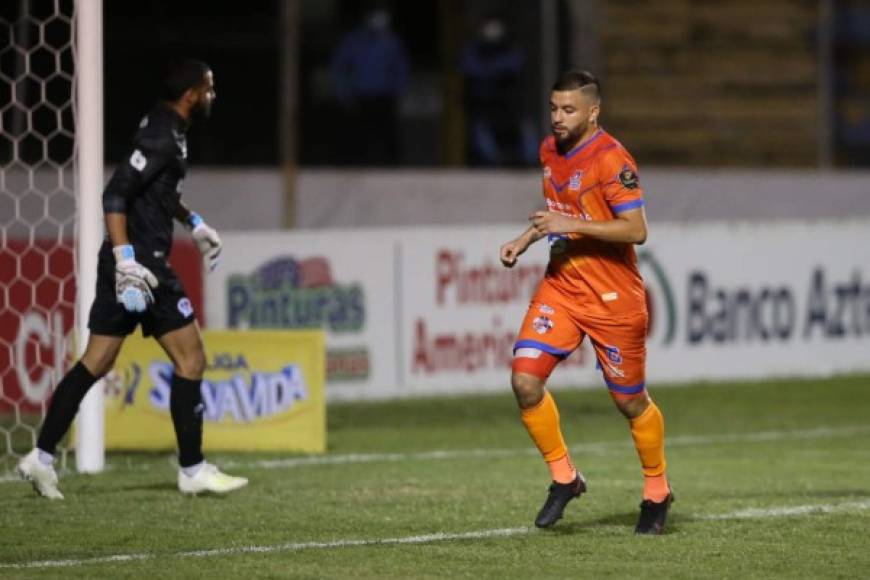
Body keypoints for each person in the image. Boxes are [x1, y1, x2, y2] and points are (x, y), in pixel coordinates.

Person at [17, 59, 248, 499]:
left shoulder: (169, 128)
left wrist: (193, 222)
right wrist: (127, 261)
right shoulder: (161, 134)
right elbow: (116, 193)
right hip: (143, 265)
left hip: (128, 259)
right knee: (191, 359)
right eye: (209, 88)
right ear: (191, 94)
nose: (213, 96)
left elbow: (158, 191)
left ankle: (41, 457)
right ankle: (193, 468)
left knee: (96, 361)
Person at [499, 70, 672, 534]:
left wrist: (563, 225)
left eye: (568, 109)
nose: (558, 117)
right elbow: (561, 216)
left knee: (630, 402)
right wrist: (525, 238)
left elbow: (636, 230)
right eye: (554, 108)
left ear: (593, 112)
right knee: (524, 382)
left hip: (614, 298)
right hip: (563, 286)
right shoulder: (548, 150)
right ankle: (565, 477)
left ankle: (657, 491)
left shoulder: (612, 160)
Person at [331, 8, 409, 165]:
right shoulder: (353, 40)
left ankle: (391, 165)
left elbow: (401, 68)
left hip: (384, 95)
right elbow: (339, 67)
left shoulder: (392, 42)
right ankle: (358, 165)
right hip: (360, 94)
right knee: (359, 134)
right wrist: (343, 92)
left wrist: (399, 90)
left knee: (387, 133)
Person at [459, 15, 536, 166]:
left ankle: (529, 159)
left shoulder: (511, 47)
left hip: (510, 107)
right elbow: (468, 68)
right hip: (483, 106)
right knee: (480, 131)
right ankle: (492, 160)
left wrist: (492, 70)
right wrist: (493, 72)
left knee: (526, 129)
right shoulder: (474, 50)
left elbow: (515, 64)